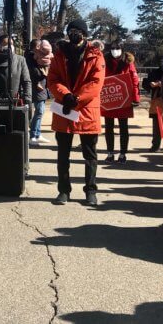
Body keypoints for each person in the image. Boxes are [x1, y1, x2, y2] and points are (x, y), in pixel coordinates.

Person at [47, 19, 105, 206]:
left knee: (90, 155)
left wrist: (76, 99)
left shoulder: (96, 55)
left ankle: (90, 190)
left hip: (86, 109)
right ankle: (63, 191)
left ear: (84, 34)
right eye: (70, 30)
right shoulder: (59, 55)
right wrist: (66, 96)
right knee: (62, 155)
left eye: (77, 31)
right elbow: (53, 80)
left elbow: (96, 83)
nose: (73, 33)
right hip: (64, 109)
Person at [102, 42, 140, 164]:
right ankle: (110, 153)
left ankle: (123, 154)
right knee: (108, 128)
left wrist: (135, 98)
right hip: (109, 98)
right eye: (113, 48)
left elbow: (134, 81)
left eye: (117, 48)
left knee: (123, 127)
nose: (115, 50)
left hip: (124, 98)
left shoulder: (128, 62)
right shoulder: (104, 61)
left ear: (122, 49)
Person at [0, 34, 32, 104]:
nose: (9, 46)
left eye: (11, 44)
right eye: (6, 44)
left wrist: (27, 98)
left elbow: (26, 81)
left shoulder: (20, 60)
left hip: (16, 102)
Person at [26, 39, 53, 146]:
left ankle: (37, 134)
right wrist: (43, 74)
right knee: (39, 111)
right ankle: (33, 135)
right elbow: (33, 72)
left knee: (40, 111)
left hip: (41, 86)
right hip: (37, 86)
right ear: (34, 47)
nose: (41, 48)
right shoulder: (31, 57)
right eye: (39, 46)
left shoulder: (40, 56)